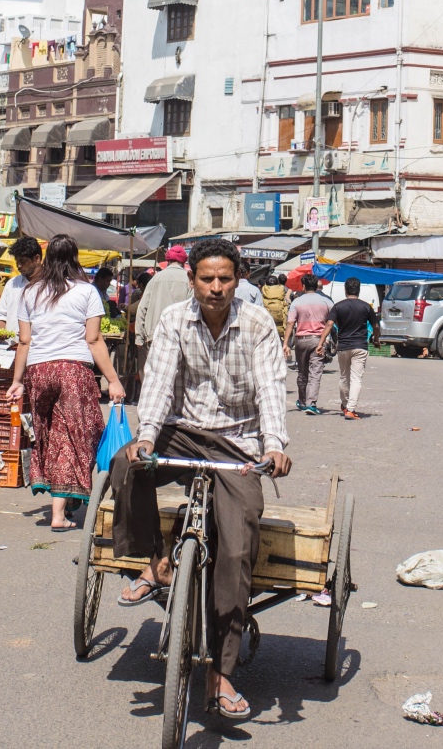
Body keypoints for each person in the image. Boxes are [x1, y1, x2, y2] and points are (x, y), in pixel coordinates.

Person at [106, 238, 290, 723]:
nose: (214, 288)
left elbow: (272, 387)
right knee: (125, 464)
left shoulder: (257, 325)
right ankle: (156, 559)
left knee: (236, 546)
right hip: (181, 433)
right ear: (191, 281)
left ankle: (222, 673)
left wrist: (276, 445)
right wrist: (146, 438)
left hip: (239, 445)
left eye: (224, 279)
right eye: (206, 279)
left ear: (237, 281)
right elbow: (161, 382)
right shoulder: (174, 321)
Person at [9, 234, 127, 529]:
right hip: (73, 371)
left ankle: (66, 497)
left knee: (49, 434)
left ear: (46, 259)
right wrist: (113, 380)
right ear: (76, 258)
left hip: (39, 371)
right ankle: (61, 511)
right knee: (79, 434)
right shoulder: (87, 292)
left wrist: (17, 381)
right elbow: (94, 339)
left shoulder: (30, 292)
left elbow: (24, 341)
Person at [283, 275, 334, 415]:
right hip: (319, 340)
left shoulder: (297, 302)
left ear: (303, 286)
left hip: (301, 340)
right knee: (315, 373)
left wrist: (286, 343)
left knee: (302, 371)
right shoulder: (326, 302)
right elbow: (333, 321)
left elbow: (290, 323)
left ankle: (302, 400)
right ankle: (311, 403)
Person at [329, 278, 379, 419]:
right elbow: (375, 326)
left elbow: (329, 324)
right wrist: (376, 339)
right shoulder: (366, 307)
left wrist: (321, 343)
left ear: (345, 290)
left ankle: (345, 406)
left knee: (344, 377)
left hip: (343, 347)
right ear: (359, 290)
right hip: (360, 347)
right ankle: (350, 409)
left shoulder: (338, 306)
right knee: (356, 378)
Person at [0, 237, 44, 329]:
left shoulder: (51, 285)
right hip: (11, 342)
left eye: (23, 262)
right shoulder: (12, 284)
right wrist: (1, 331)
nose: (19, 266)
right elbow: (1, 314)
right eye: (17, 262)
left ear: (37, 259)